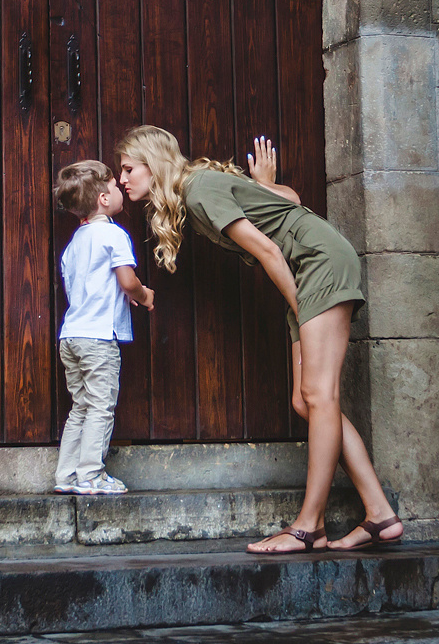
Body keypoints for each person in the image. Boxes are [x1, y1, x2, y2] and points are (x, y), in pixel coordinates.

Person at [116, 125, 403, 554]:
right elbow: (291, 202)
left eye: (127, 168)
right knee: (305, 401)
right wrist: (263, 186)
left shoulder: (196, 192)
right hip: (307, 270)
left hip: (317, 264)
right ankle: (379, 514)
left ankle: (308, 527)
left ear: (152, 164)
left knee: (319, 394)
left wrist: (301, 309)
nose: (122, 179)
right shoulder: (199, 186)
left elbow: (269, 251)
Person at [53, 160, 154, 495]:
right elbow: (127, 280)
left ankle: (66, 475)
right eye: (113, 184)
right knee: (100, 406)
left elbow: (81, 288)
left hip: (71, 336)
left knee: (80, 406)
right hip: (98, 338)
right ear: (103, 199)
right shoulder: (113, 234)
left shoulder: (73, 244)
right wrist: (143, 294)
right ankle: (92, 475)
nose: (120, 187)